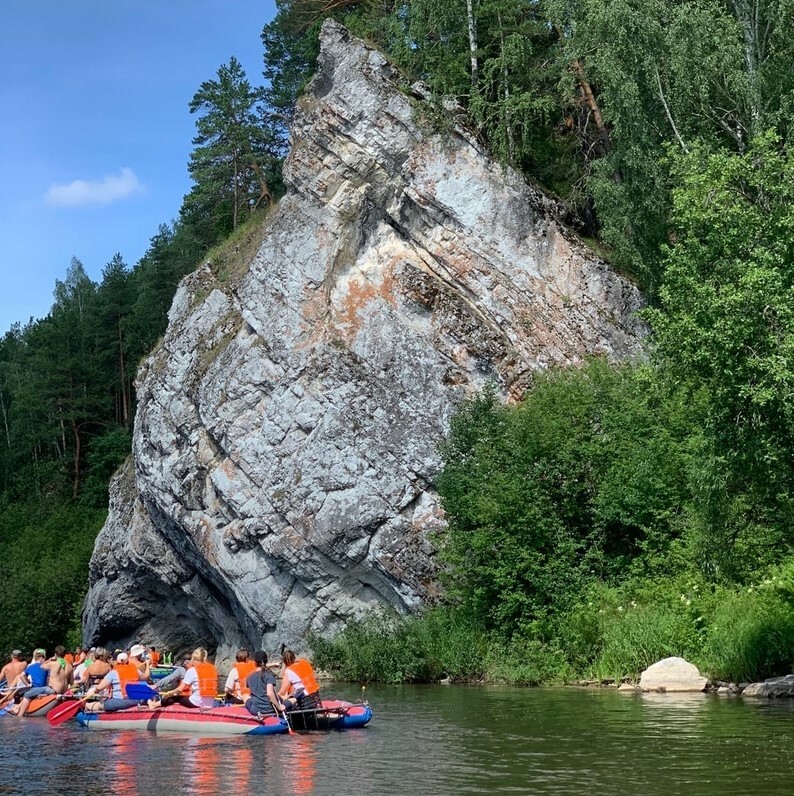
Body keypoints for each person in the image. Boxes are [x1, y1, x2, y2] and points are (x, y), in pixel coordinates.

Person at [148, 648, 217, 710]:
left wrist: (170, 692)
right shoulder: (213, 669)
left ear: (193, 659)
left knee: (175, 698)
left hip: (196, 703)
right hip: (210, 703)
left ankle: (153, 705)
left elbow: (180, 689)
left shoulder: (192, 670)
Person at [82, 652, 149, 713]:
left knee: (101, 704)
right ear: (127, 661)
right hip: (135, 700)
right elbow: (146, 677)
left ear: (117, 662)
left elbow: (100, 687)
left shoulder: (113, 673)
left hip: (120, 701)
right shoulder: (135, 670)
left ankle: (87, 705)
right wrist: (148, 665)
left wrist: (95, 690)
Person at [11, 649, 53, 718]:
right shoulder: (45, 667)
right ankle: (18, 711)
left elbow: (21, 675)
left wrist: (27, 684)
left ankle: (17, 708)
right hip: (41, 688)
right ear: (42, 658)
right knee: (26, 694)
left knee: (21, 693)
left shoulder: (30, 667)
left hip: (33, 687)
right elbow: (49, 679)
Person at [244, 650, 286, 718]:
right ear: (266, 661)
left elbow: (269, 694)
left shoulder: (249, 676)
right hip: (269, 709)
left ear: (254, 662)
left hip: (256, 710)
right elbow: (269, 693)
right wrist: (279, 707)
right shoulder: (269, 675)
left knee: (245, 696)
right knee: (282, 697)